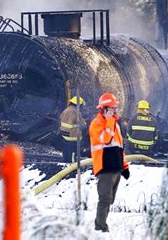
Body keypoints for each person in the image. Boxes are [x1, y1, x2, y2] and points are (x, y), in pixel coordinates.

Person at [89, 92, 130, 232]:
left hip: (115, 167)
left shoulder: (114, 124)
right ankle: (100, 227)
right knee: (105, 199)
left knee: (109, 200)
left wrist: (124, 166)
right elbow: (105, 140)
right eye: (113, 108)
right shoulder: (97, 124)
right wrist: (109, 121)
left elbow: (119, 146)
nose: (116, 110)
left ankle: (101, 224)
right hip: (105, 166)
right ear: (105, 109)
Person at [59, 96, 87, 163]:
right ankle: (71, 167)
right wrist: (85, 122)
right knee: (73, 154)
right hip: (73, 137)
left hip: (64, 136)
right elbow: (83, 125)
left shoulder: (65, 110)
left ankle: (65, 164)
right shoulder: (76, 112)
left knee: (66, 152)